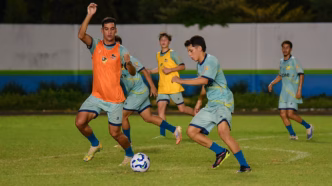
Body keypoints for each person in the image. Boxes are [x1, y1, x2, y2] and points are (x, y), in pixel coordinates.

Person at [171, 35, 251, 172]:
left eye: (191, 51)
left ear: (199, 48)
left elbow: (203, 81)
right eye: (188, 52)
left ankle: (245, 165)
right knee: (192, 131)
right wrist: (199, 101)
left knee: (223, 133)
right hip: (212, 104)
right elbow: (205, 84)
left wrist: (181, 81)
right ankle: (220, 152)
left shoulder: (211, 60)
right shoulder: (199, 65)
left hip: (223, 101)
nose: (189, 55)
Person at [76, 3, 135, 166]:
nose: (109, 31)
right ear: (102, 31)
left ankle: (130, 154)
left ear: (115, 31)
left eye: (112, 28)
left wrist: (129, 64)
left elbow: (132, 72)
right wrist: (89, 15)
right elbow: (81, 35)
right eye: (106, 29)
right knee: (80, 122)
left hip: (114, 99)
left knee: (115, 133)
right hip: (96, 96)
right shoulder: (95, 45)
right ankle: (95, 144)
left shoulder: (121, 50)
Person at [114, 35, 182, 145]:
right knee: (148, 117)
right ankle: (174, 129)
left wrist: (153, 86)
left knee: (123, 116)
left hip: (139, 91)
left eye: (117, 45)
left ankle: (127, 142)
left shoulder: (129, 59)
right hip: (134, 92)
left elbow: (144, 71)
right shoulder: (113, 62)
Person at [149, 32, 194, 137]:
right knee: (160, 109)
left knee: (182, 109)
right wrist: (150, 71)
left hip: (173, 86)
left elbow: (182, 66)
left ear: (169, 42)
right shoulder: (158, 54)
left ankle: (198, 115)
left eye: (165, 40)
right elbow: (160, 69)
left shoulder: (173, 54)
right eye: (161, 40)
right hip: (162, 87)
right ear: (159, 42)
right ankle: (162, 134)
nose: (163, 41)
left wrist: (171, 70)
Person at [268, 40, 313, 140]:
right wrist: (272, 83)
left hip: (293, 92)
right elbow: (280, 76)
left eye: (287, 47)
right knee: (282, 114)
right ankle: (292, 135)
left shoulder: (294, 60)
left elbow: (301, 74)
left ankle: (308, 126)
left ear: (291, 49)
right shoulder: (281, 61)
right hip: (284, 93)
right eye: (283, 47)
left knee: (290, 114)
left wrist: (299, 90)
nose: (285, 49)